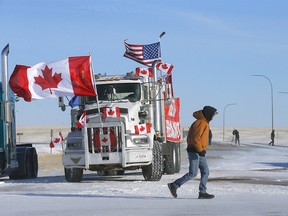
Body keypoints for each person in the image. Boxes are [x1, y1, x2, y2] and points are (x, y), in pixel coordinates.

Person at [168, 106, 217, 199]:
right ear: (208, 114)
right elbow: (196, 139)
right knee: (193, 173)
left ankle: (202, 192)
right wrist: (200, 150)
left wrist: (201, 150)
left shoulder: (203, 122)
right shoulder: (201, 123)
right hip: (195, 151)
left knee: (205, 171)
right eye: (213, 114)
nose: (213, 117)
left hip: (199, 152)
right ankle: (174, 185)